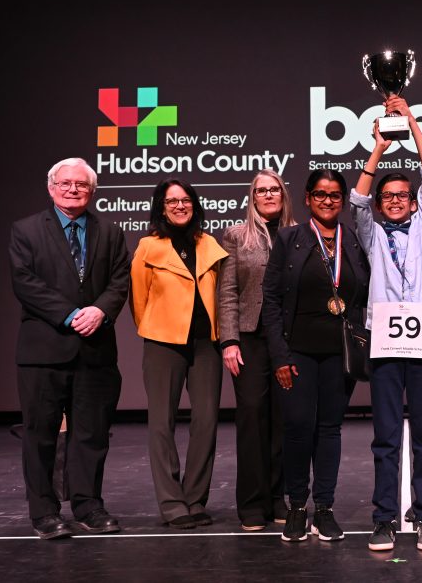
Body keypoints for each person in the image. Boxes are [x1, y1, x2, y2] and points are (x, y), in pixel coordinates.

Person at [9, 157, 130, 540]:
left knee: (91, 434)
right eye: (66, 183)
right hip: (43, 350)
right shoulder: (26, 230)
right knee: (40, 433)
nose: (73, 189)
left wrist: (99, 311)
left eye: (81, 184)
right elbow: (25, 283)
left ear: (92, 191)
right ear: (51, 188)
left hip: (95, 349)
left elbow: (119, 280)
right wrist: (71, 313)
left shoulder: (109, 232)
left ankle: (88, 505)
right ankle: (44, 511)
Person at [350, 95, 422, 552]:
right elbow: (356, 198)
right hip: (386, 342)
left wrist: (409, 121)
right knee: (386, 436)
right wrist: (378, 150)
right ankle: (384, 517)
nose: (394, 202)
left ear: (412, 203)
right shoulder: (369, 232)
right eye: (387, 196)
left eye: (401, 196)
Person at [262, 169, 369, 542]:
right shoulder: (289, 239)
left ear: (342, 200)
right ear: (307, 198)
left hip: (340, 355)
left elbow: (364, 296)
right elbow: (271, 301)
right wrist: (279, 356)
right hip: (297, 354)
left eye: (335, 195)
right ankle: (295, 507)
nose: (328, 201)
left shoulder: (352, 241)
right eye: (320, 194)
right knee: (297, 428)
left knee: (329, 429)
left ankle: (324, 508)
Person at [130, 179, 228, 529]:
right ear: (161, 206)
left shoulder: (209, 243)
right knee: (161, 423)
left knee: (206, 421)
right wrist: (156, 329)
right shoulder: (147, 246)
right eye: (172, 201)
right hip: (162, 342)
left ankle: (195, 499)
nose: (180, 206)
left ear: (194, 204)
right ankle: (172, 504)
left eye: (186, 200)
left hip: (206, 345)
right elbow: (138, 300)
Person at [216, 169, 296, 531]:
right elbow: (228, 291)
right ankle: (251, 502)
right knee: (251, 417)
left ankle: (278, 498)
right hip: (248, 338)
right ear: (252, 196)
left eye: (273, 189)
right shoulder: (236, 236)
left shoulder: (299, 234)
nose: (267, 195)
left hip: (288, 340)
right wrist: (229, 340)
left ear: (283, 194)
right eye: (261, 190)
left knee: (283, 421)